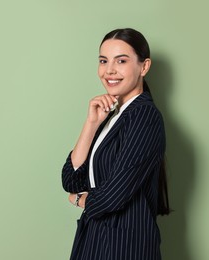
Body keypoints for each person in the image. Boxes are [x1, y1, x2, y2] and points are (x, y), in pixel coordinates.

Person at [61, 28, 170, 260]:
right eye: (103, 61)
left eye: (121, 61)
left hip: (124, 247)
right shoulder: (113, 117)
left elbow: (113, 196)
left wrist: (81, 199)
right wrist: (91, 124)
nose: (109, 70)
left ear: (144, 66)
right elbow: (71, 179)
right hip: (95, 242)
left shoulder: (144, 116)